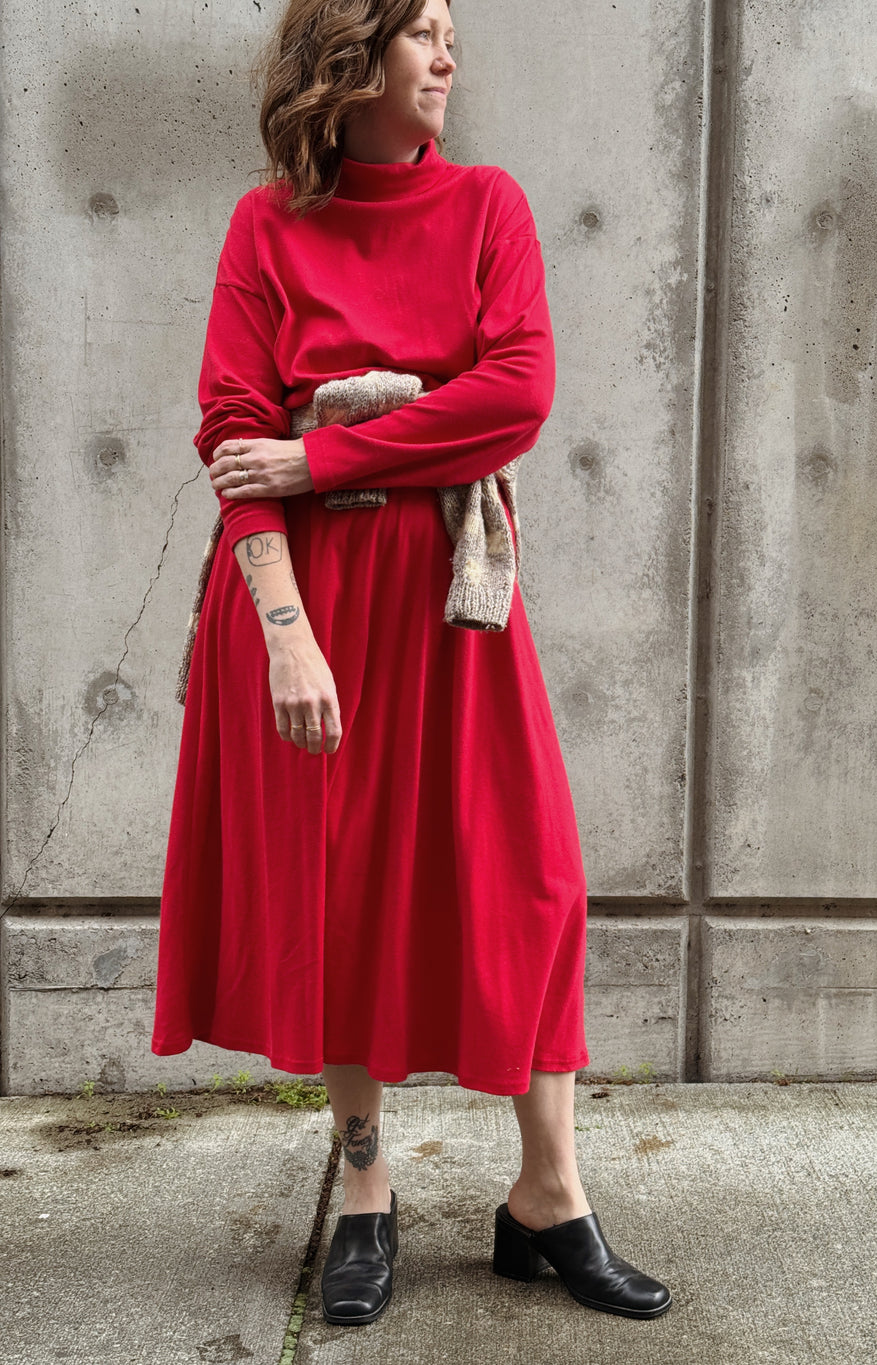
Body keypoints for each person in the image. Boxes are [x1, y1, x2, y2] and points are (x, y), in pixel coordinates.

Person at [152, 0, 671, 1327]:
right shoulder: (265, 229)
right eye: (422, 32)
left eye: (450, 33)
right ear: (351, 55)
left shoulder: (489, 208)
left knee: (533, 875)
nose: (447, 58)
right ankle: (367, 1188)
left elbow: (516, 392)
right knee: (341, 887)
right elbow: (230, 435)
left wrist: (323, 452)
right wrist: (284, 633)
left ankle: (547, 1192)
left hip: (456, 601)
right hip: (313, 604)